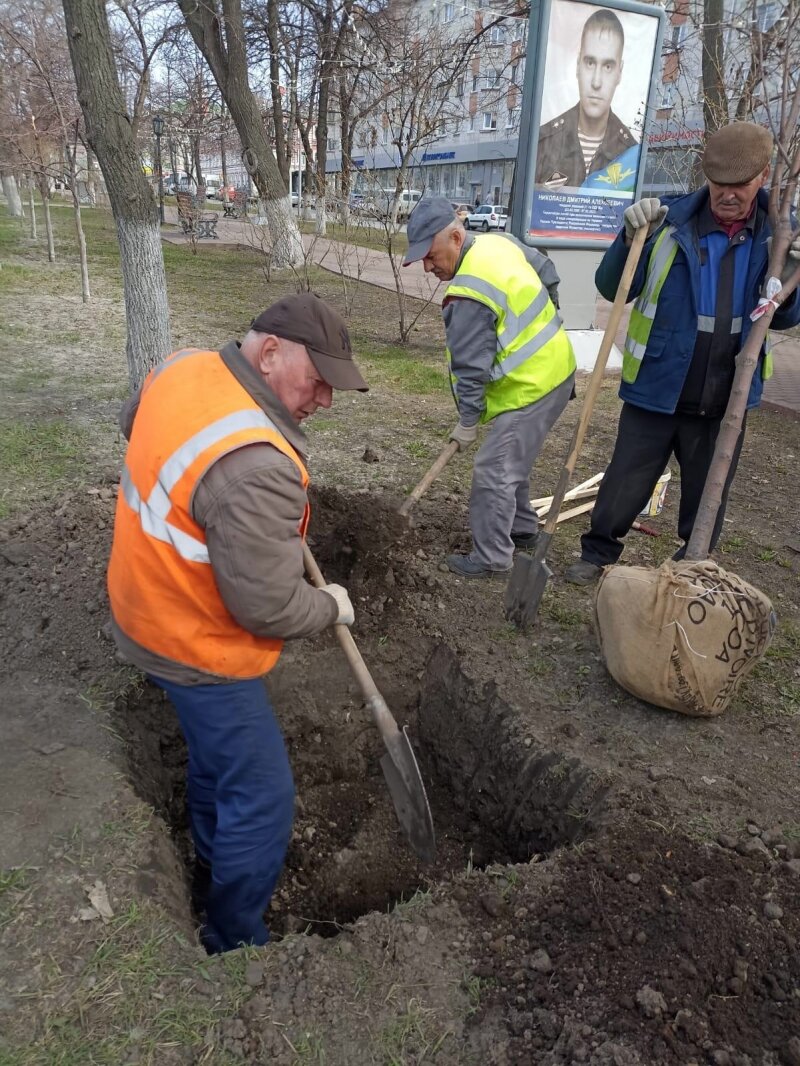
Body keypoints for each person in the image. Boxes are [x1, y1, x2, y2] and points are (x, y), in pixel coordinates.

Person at [107, 294, 368, 952]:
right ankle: (232, 938)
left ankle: (204, 867)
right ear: (271, 353)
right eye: (319, 382)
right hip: (188, 640)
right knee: (263, 793)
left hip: (142, 597)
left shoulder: (183, 366)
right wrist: (330, 604)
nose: (326, 401)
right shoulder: (259, 466)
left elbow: (131, 421)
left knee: (217, 762)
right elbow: (268, 607)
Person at [565, 121, 800, 585]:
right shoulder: (669, 224)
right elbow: (613, 287)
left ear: (763, 176)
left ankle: (691, 562)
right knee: (625, 481)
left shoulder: (777, 239)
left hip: (725, 392)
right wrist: (628, 238)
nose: (727, 195)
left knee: (708, 491)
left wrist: (791, 275)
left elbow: (788, 318)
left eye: (739, 185)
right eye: (718, 184)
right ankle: (596, 554)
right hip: (658, 383)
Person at [403, 197, 577, 577]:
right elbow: (545, 268)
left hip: (531, 387)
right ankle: (522, 528)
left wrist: (468, 420)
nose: (429, 267)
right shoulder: (499, 243)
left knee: (494, 468)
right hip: (555, 371)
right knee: (510, 457)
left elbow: (470, 367)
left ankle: (493, 556)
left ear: (454, 235)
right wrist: (552, 313)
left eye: (431, 256)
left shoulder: (468, 292)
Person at [535, 8, 637, 190]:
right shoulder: (544, 143)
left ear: (619, 73)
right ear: (578, 65)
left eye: (607, 66)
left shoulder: (630, 152)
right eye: (590, 63)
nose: (596, 82)